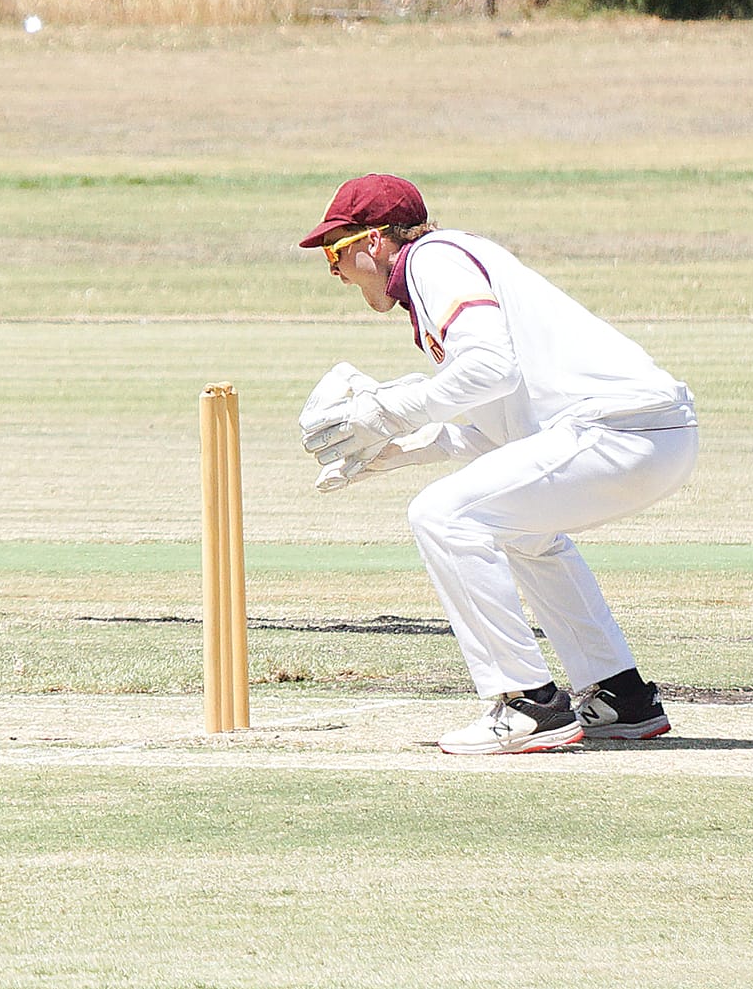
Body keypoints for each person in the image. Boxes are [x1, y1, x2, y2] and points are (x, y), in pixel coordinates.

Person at [296, 173, 695, 755]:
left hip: (618, 429)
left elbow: (489, 369)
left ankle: (527, 703)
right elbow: (501, 432)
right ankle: (620, 697)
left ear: (374, 241)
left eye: (336, 256)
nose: (338, 274)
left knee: (442, 516)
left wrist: (385, 411)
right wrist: (401, 450)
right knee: (522, 530)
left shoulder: (432, 260)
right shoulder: (447, 267)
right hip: (647, 433)